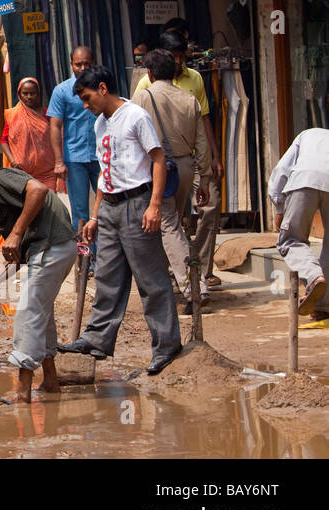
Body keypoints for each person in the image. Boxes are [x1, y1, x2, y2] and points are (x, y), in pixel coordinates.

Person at [59, 65, 182, 376]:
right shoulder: (101, 124)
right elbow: (105, 171)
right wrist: (95, 216)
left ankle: (166, 346)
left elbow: (158, 159)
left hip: (138, 203)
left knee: (151, 280)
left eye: (87, 99)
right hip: (111, 208)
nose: (86, 107)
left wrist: (154, 205)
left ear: (103, 88)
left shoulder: (136, 116)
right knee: (107, 278)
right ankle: (97, 339)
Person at [0, 149, 78, 402]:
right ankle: (51, 381)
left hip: (52, 247)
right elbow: (15, 258)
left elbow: (39, 190)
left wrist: (17, 233)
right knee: (41, 313)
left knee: (28, 315)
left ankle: (22, 393)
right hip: (52, 248)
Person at [134, 31, 224, 290]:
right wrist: (204, 180)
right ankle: (179, 277)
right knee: (175, 221)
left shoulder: (142, 97)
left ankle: (193, 284)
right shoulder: (190, 99)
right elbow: (202, 143)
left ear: (150, 73)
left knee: (169, 225)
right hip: (186, 167)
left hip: (158, 168)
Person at [267, 128, 329, 317]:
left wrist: (279, 206)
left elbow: (281, 171)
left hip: (304, 180)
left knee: (290, 240)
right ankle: (322, 305)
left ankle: (313, 277)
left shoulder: (306, 135)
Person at [47, 47, 98, 244]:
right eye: (79, 64)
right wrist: (59, 161)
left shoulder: (101, 87)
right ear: (71, 65)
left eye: (87, 63)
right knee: (80, 210)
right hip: (74, 158)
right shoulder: (62, 91)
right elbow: (55, 126)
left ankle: (105, 254)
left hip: (100, 155)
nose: (83, 68)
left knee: (107, 207)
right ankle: (86, 257)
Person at [3, 77, 58, 191]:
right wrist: (13, 161)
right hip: (22, 173)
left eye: (32, 93)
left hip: (47, 172)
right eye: (25, 93)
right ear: (19, 94)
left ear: (38, 94)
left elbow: (56, 138)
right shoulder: (13, 115)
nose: (29, 97)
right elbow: (4, 140)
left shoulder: (47, 114)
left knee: (49, 203)